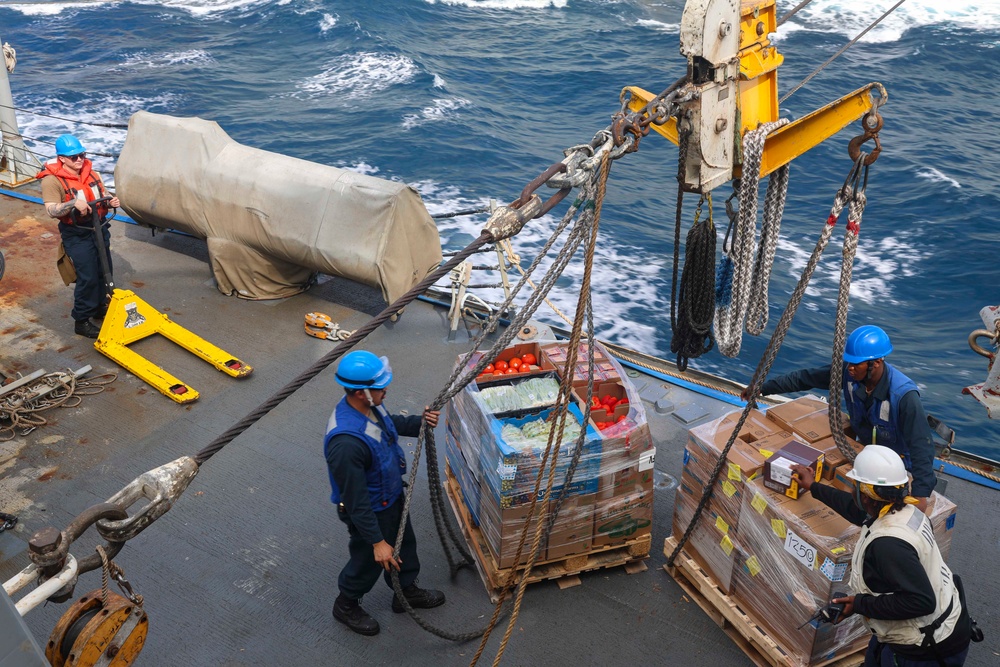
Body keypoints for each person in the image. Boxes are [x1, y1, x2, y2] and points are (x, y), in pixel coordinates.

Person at [790, 447, 976, 667]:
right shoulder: (904, 511)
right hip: (934, 622)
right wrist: (813, 487)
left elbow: (921, 601)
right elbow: (855, 510)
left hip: (926, 648)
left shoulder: (887, 545)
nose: (852, 491)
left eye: (855, 486)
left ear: (866, 494)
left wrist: (860, 604)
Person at [324, 350, 445, 636]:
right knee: (369, 560)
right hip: (368, 510)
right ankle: (346, 604)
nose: (385, 390)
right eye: (380, 387)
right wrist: (377, 541)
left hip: (389, 496)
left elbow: (390, 427)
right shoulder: (345, 443)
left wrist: (420, 422)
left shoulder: (370, 407)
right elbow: (355, 500)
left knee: (404, 544)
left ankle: (405, 591)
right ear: (361, 392)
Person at [748, 325, 936, 505]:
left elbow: (922, 445)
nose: (850, 369)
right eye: (849, 363)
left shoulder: (904, 396)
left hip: (896, 466)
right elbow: (805, 378)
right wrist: (763, 388)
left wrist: (920, 493)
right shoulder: (849, 373)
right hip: (862, 452)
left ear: (876, 363)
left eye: (856, 364)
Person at [37, 134, 120, 339]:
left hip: (99, 228)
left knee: (104, 270)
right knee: (88, 275)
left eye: (82, 154)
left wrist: (110, 202)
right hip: (78, 233)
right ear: (62, 159)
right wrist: (72, 204)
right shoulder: (51, 181)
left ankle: (100, 306)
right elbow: (51, 210)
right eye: (73, 157)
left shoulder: (92, 173)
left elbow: (103, 192)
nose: (79, 159)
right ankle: (82, 320)